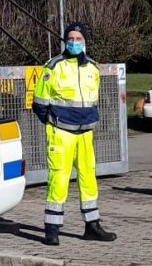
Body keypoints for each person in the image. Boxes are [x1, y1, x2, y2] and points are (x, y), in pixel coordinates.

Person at [33, 21, 116, 246]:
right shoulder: (53, 67)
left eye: (78, 39)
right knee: (58, 179)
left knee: (88, 179)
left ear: (85, 42)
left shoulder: (92, 68)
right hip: (61, 133)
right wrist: (53, 123)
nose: (74, 42)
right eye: (70, 38)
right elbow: (39, 103)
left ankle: (92, 225)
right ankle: (52, 229)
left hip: (85, 133)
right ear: (65, 41)